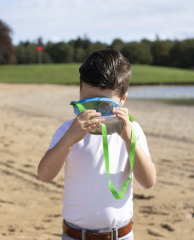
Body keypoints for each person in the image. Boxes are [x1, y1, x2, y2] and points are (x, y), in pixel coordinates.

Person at [37, 49, 156, 240]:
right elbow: (44, 175)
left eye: (105, 106)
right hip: (75, 235)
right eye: (88, 103)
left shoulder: (132, 130)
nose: (96, 113)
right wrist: (68, 139)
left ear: (122, 100)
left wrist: (129, 139)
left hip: (121, 234)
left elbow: (148, 181)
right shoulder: (68, 130)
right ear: (79, 93)